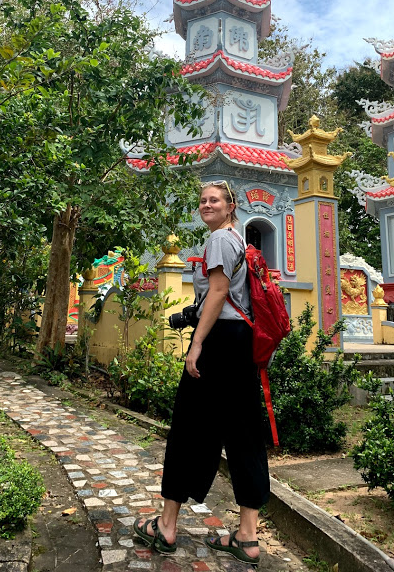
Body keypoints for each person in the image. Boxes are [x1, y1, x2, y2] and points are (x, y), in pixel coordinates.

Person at [133, 180, 269, 566]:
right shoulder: (238, 240)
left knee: (190, 429)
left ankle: (167, 525)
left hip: (219, 341)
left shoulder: (219, 242)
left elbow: (218, 293)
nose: (207, 205)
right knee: (244, 434)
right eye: (203, 201)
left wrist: (196, 345)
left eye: (215, 200)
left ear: (230, 206)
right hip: (239, 342)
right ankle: (247, 537)